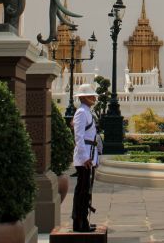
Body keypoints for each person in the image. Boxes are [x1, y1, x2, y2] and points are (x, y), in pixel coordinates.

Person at [71, 83, 100, 232]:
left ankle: (83, 220)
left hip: (89, 155)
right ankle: (80, 222)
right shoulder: (82, 112)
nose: (94, 97)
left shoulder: (86, 111)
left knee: (85, 190)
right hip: (85, 158)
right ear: (84, 98)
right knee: (82, 190)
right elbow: (79, 136)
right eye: (91, 95)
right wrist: (84, 158)